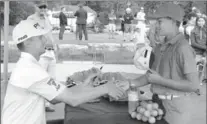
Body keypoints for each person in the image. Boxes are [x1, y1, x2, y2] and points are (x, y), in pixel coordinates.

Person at [2, 18, 125, 124]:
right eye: (40, 37)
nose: (45, 40)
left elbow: (55, 98)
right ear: (27, 42)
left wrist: (86, 84)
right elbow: (72, 99)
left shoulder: (29, 66)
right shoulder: (30, 70)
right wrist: (106, 88)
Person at [128, 3, 200, 124]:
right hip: (156, 104)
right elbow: (151, 76)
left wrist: (161, 81)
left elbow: (193, 85)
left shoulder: (183, 48)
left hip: (176, 109)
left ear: (172, 21)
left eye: (160, 21)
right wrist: (130, 83)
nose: (156, 26)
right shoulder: (160, 46)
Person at [28, 2, 57, 112]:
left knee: (52, 79)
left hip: (51, 52)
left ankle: (46, 104)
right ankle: (34, 104)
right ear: (35, 7)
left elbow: (49, 33)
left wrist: (55, 44)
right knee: (39, 79)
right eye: (41, 7)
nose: (43, 9)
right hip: (41, 52)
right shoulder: (31, 19)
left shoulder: (46, 18)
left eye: (45, 7)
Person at [190, 17, 206, 85]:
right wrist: (204, 48)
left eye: (202, 21)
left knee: (201, 69)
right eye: (199, 21)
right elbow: (193, 43)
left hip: (204, 53)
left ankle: (198, 83)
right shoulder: (193, 31)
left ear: (205, 22)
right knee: (194, 69)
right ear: (197, 22)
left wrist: (205, 53)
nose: (201, 22)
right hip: (195, 52)